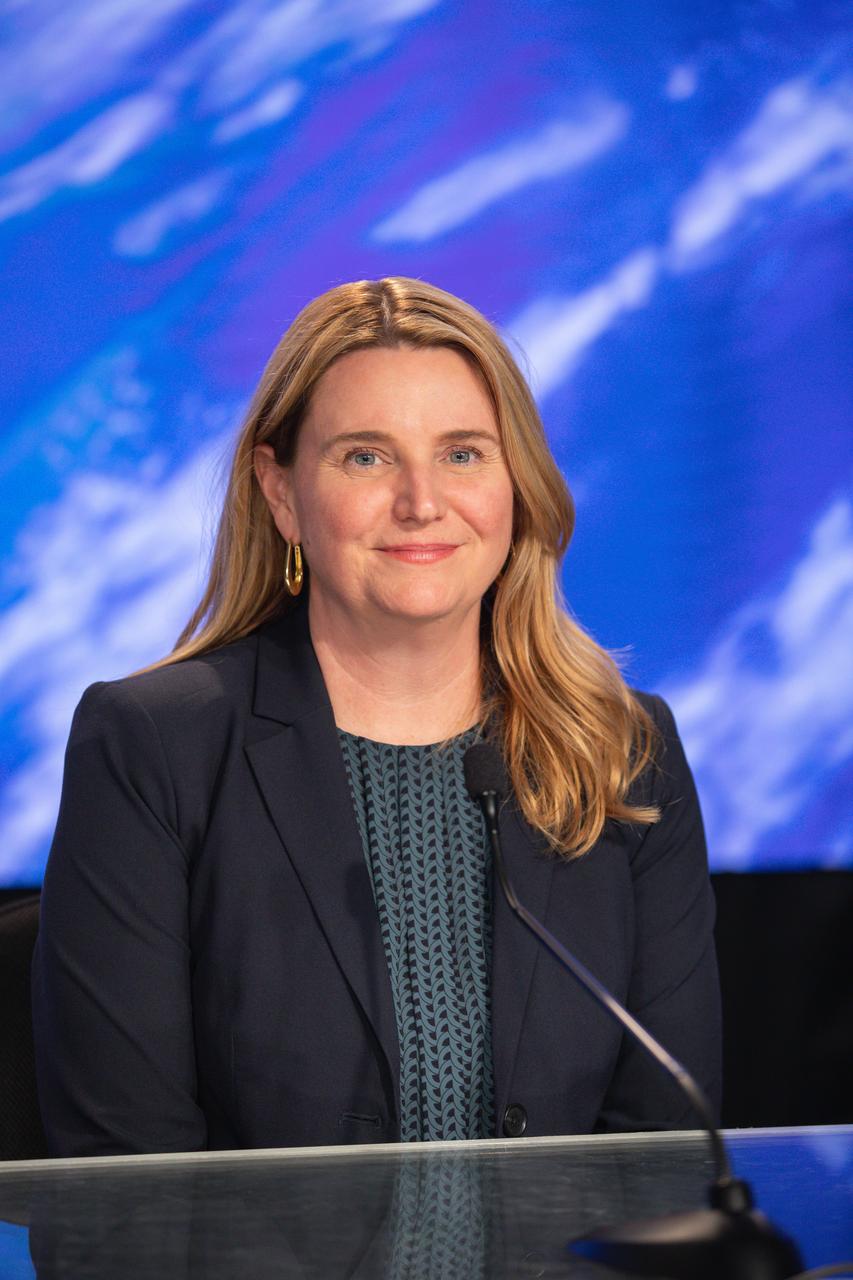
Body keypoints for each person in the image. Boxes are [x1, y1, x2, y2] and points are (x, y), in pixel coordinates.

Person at [31, 277, 721, 1157]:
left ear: (517, 485)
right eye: (365, 456)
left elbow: (662, 1154)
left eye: (464, 453)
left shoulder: (623, 751)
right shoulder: (156, 746)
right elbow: (122, 1172)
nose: (421, 502)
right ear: (281, 494)